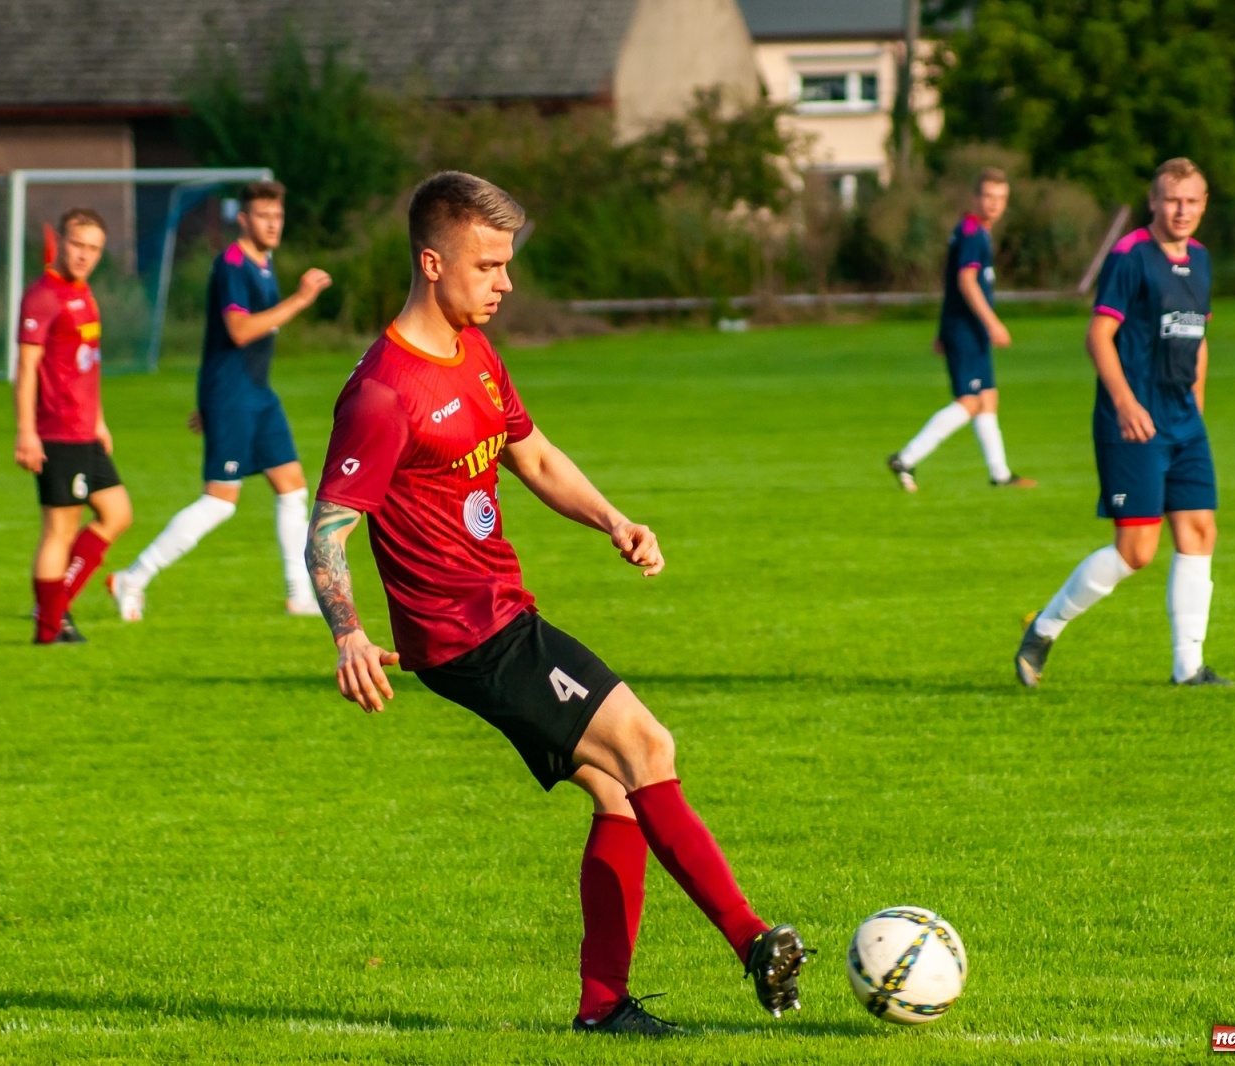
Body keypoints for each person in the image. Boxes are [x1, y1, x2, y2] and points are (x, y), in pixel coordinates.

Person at [307, 171, 808, 1035]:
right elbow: (327, 529)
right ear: (433, 263)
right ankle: (753, 940)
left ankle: (603, 1009)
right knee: (648, 744)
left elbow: (531, 456)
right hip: (473, 637)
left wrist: (614, 519)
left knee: (619, 795)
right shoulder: (385, 391)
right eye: (488, 265)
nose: (505, 283)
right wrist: (348, 632)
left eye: (507, 264)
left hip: (500, 617)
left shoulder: (474, 351)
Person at [1015, 158, 1235, 688]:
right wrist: (1125, 402)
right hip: (1132, 419)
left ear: (1204, 205)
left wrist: (1196, 412)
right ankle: (1043, 630)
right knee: (1137, 549)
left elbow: (1197, 340)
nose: (1182, 211)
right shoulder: (1130, 256)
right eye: (1172, 200)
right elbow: (1098, 335)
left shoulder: (1201, 260)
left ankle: (1189, 669)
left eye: (1192, 201)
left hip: (1184, 421)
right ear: (1154, 202)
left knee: (1200, 531)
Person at [109, 181, 332, 620]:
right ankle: (132, 577)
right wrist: (301, 300)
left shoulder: (264, 265)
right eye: (264, 217)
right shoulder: (232, 264)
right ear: (244, 220)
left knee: (293, 488)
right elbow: (240, 330)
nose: (273, 225)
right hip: (233, 395)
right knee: (219, 503)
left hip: (255, 395)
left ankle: (298, 595)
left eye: (278, 217)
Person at [14, 208, 132, 645]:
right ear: (60, 243)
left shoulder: (84, 293)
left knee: (118, 513)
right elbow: (27, 368)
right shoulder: (43, 296)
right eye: (78, 245)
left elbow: (87, 365)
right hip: (57, 432)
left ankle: (54, 607)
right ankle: (48, 628)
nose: (85, 255)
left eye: (94, 248)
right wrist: (26, 431)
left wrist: (99, 420)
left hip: (85, 430)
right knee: (59, 530)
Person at [888, 168, 1035, 492]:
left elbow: (951, 289)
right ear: (974, 198)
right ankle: (906, 458)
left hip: (965, 329)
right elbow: (965, 282)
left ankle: (1000, 474)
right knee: (969, 402)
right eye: (989, 197)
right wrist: (992, 322)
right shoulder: (971, 232)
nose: (995, 204)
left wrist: (943, 330)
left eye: (1001, 198)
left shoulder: (977, 231)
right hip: (967, 330)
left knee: (988, 398)